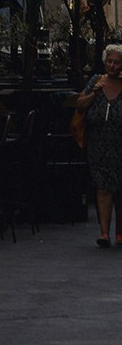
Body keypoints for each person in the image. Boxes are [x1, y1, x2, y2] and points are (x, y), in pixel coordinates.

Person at [76, 43, 122, 247]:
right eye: (109, 61)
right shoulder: (96, 81)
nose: (112, 66)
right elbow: (79, 105)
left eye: (117, 62)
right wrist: (94, 93)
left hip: (119, 142)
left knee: (120, 188)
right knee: (102, 187)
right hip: (98, 142)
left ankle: (120, 233)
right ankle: (104, 233)